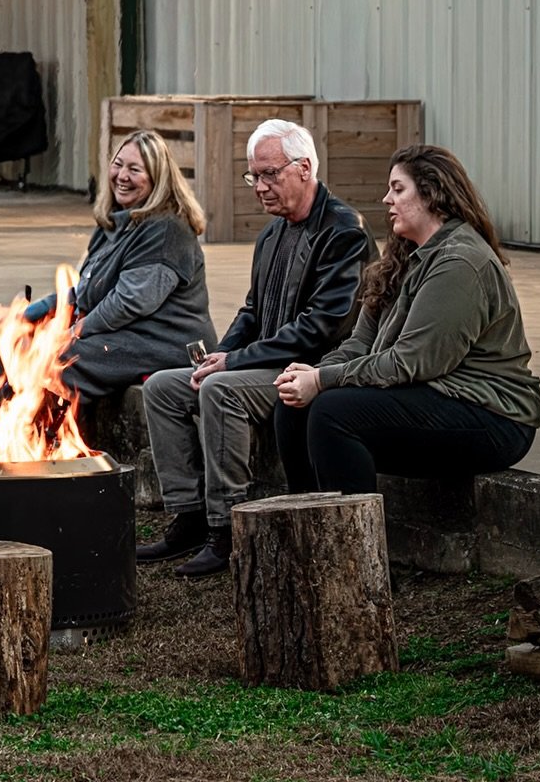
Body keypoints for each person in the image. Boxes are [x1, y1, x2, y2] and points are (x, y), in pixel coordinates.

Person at [135, 119, 375, 577]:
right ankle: (187, 515)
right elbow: (252, 310)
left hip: (313, 369)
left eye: (270, 174)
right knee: (164, 387)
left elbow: (322, 327)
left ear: (304, 169)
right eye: (254, 176)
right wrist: (219, 355)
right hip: (266, 363)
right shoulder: (272, 232)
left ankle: (226, 530)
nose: (259, 187)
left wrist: (234, 363)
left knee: (221, 391)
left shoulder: (345, 231)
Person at [273, 145, 540, 494]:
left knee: (333, 411)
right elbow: (360, 342)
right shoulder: (403, 256)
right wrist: (309, 377)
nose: (386, 199)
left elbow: (411, 362)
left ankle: (355, 546)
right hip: (432, 394)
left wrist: (323, 381)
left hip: (492, 416)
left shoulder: (460, 263)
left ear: (432, 194)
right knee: (295, 407)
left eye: (398, 189)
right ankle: (307, 527)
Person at [22, 130, 215, 396]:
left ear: (157, 179)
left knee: (57, 358)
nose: (122, 176)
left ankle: (35, 432)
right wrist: (31, 315)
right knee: (27, 343)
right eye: (118, 164)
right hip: (125, 336)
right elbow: (87, 290)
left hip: (165, 344)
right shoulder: (115, 223)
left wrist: (77, 330)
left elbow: (129, 302)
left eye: (135, 169)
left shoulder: (166, 230)